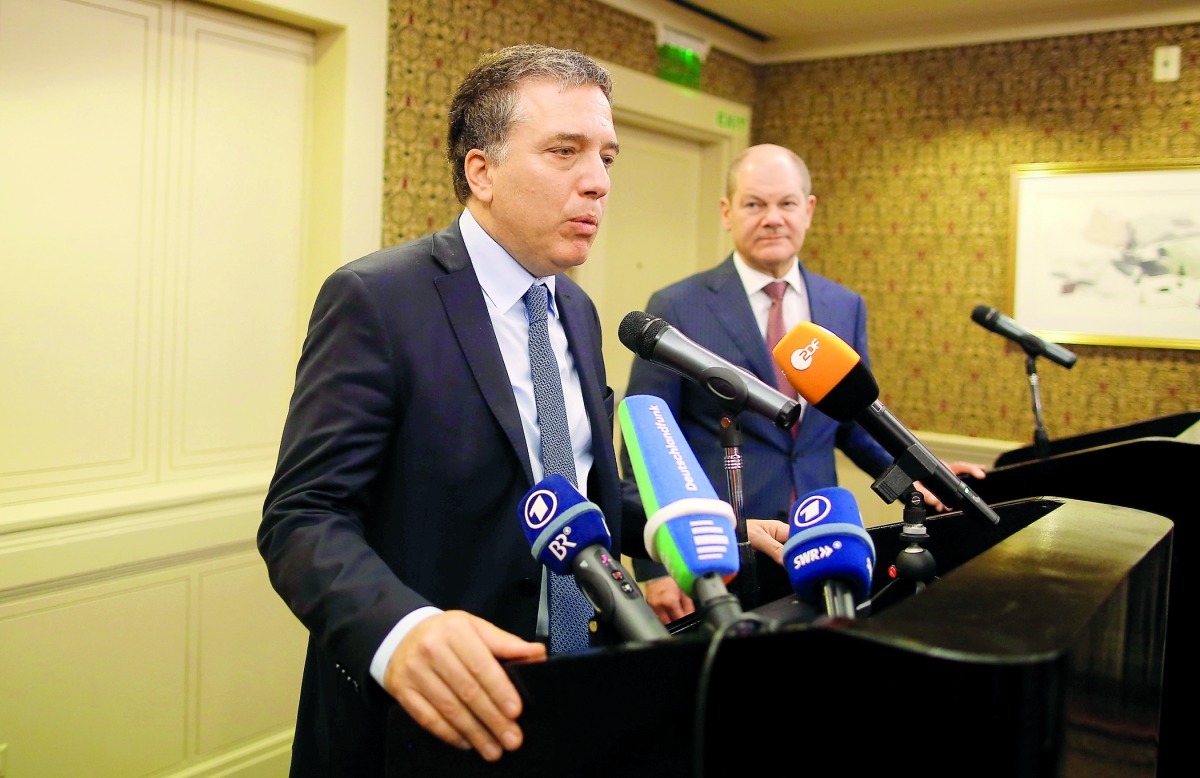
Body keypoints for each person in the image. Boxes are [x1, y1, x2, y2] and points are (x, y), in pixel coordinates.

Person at [258, 45, 788, 775]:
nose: (597, 182)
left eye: (607, 157)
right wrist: (402, 630)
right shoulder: (379, 299)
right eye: (564, 152)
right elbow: (302, 518)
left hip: (571, 696)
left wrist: (706, 529)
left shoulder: (577, 310)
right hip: (430, 721)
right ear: (482, 171)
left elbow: (577, 489)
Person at [621, 143, 986, 623]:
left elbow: (852, 424)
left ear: (808, 211)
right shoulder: (678, 305)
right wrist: (658, 567)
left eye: (786, 203)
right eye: (754, 204)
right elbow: (644, 447)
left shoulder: (843, 306)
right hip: (728, 552)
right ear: (727, 212)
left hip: (824, 541)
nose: (772, 218)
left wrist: (917, 473)